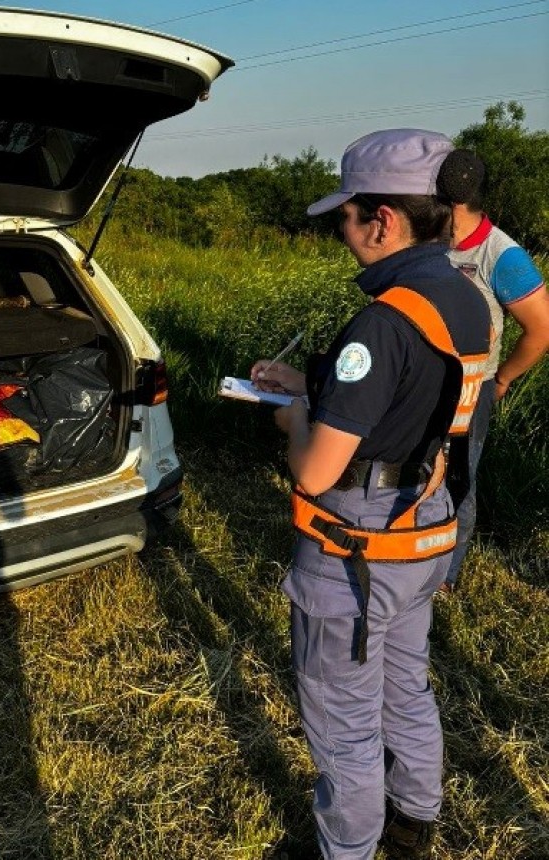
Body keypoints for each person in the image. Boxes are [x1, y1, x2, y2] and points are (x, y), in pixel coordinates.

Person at [251, 129, 491, 859]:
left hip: (359, 546)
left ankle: (348, 849)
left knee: (345, 724)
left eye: (346, 217)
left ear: (382, 220)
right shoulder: (464, 297)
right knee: (406, 686)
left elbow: (315, 473)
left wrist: (295, 415)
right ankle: (415, 818)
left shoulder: (382, 321)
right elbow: (419, 389)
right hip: (424, 521)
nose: (343, 232)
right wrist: (316, 377)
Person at [434, 149, 549, 593]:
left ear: (450, 201)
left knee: (460, 479)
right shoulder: (430, 242)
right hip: (423, 381)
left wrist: (501, 379)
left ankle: (446, 576)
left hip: (472, 388)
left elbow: (540, 329)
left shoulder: (501, 255)